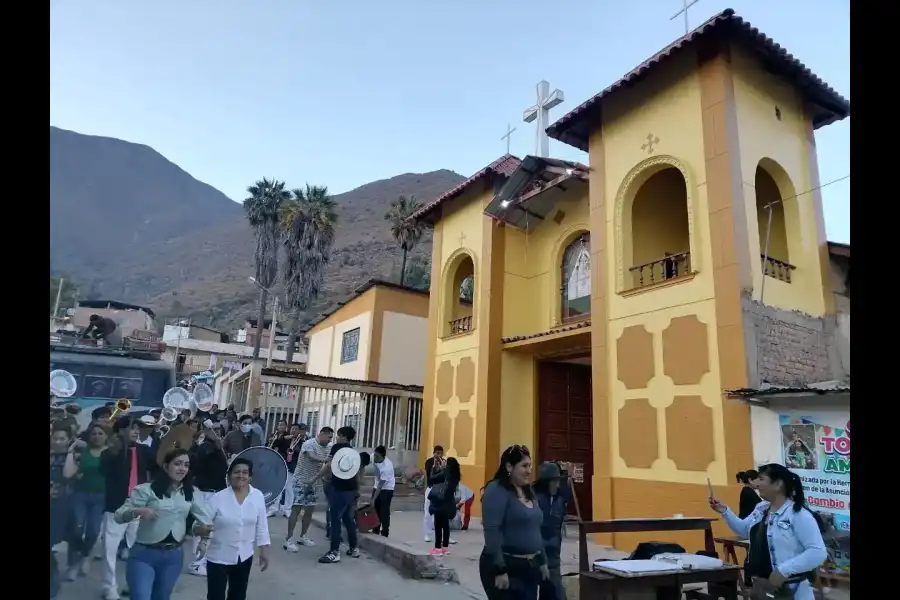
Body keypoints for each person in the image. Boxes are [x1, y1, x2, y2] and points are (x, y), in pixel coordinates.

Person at [710, 463, 827, 600]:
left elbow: (818, 552)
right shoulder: (761, 509)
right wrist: (725, 512)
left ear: (778, 484)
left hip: (792, 590)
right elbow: (743, 530)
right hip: (763, 588)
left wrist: (783, 570)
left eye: (762, 479)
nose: (758, 484)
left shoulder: (798, 514)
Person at [114, 449, 214, 600]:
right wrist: (137, 511)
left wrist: (204, 540)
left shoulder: (191, 492)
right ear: (166, 466)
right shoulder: (146, 490)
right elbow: (119, 516)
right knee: (140, 596)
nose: (182, 468)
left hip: (173, 556)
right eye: (178, 464)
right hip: (144, 553)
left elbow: (206, 521)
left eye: (186, 465)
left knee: (161, 597)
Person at [99, 416, 158, 600]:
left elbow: (157, 469)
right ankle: (109, 586)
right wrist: (115, 450)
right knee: (110, 547)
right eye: (131, 428)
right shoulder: (111, 451)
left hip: (138, 506)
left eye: (137, 428)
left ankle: (131, 583)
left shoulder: (144, 450)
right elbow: (104, 471)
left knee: (136, 548)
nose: (135, 431)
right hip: (116, 506)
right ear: (121, 431)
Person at [480, 445, 548, 600]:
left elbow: (536, 528)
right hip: (506, 566)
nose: (529, 471)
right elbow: (492, 531)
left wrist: (542, 560)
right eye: (524, 466)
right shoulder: (496, 490)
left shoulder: (527, 491)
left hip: (529, 568)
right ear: (509, 466)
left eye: (530, 466)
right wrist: (499, 569)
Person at [202, 458, 271, 600]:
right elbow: (203, 523)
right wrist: (202, 534)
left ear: (250, 476)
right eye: (236, 472)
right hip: (218, 557)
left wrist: (264, 551)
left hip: (244, 556)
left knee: (238, 595)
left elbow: (262, 525)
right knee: (215, 596)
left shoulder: (257, 496)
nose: (241, 476)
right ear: (229, 475)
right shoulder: (218, 498)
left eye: (245, 472)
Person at [63, 422, 109, 581]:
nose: (97, 436)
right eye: (94, 433)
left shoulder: (110, 453)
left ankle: (84, 556)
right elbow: (70, 472)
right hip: (80, 495)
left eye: (100, 433)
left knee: (93, 531)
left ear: (106, 436)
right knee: (76, 529)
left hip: (101, 497)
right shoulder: (82, 451)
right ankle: (72, 564)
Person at [187, 423, 229, 577]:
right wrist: (217, 447)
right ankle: (197, 563)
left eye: (218, 430)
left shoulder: (217, 448)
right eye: (213, 429)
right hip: (205, 492)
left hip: (215, 492)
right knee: (202, 526)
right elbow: (201, 461)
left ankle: (203, 560)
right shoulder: (205, 446)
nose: (216, 432)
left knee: (210, 528)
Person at [315, 426, 361, 563]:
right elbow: (356, 473)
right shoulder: (352, 452)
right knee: (347, 518)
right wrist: (357, 490)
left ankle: (334, 552)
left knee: (335, 519)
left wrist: (315, 478)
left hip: (339, 488)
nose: (337, 437)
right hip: (351, 489)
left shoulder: (337, 447)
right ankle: (354, 548)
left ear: (344, 436)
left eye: (339, 435)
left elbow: (328, 465)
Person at [284, 426, 334, 551]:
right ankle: (289, 539)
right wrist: (325, 460)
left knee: (309, 509)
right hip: (300, 480)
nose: (330, 440)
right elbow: (311, 456)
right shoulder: (309, 443)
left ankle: (303, 536)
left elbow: (328, 464)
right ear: (321, 434)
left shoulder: (328, 448)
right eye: (329, 437)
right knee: (297, 507)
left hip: (314, 483)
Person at [534, 462, 573, 600]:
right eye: (555, 481)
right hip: (536, 556)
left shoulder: (559, 499)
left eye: (559, 481)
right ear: (546, 482)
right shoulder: (534, 500)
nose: (557, 485)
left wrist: (568, 477)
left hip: (554, 557)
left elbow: (567, 493)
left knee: (556, 595)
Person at [50, 424, 74, 598]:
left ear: (68, 440)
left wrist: (70, 452)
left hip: (59, 508)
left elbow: (67, 474)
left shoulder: (74, 457)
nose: (58, 442)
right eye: (55, 438)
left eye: (62, 439)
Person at [429, 457, 461, 556]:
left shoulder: (445, 472)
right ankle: (445, 548)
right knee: (445, 525)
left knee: (438, 525)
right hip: (449, 502)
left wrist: (434, 468)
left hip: (440, 501)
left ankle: (437, 548)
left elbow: (432, 477)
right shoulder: (456, 475)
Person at [277, 423, 306, 517]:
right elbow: (277, 445)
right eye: (292, 428)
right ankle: (273, 508)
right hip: (282, 465)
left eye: (296, 429)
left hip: (292, 467)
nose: (293, 430)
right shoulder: (285, 439)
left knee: (290, 489)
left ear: (299, 431)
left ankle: (287, 509)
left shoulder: (301, 441)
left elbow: (302, 453)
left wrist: (295, 447)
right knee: (279, 488)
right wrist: (283, 438)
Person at [369, 445, 396, 538]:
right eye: (375, 455)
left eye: (377, 457)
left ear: (383, 457)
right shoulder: (373, 456)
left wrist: (373, 499)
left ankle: (385, 533)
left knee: (384, 511)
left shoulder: (387, 467)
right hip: (376, 485)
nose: (375, 458)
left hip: (387, 488)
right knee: (375, 509)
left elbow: (381, 486)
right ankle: (375, 530)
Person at [423, 445, 445, 543]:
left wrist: (443, 467)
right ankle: (427, 534)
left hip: (440, 490)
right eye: (437, 453)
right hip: (431, 488)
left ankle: (443, 535)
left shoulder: (444, 462)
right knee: (428, 512)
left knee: (442, 513)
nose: (439, 455)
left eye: (441, 453)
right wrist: (436, 466)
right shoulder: (429, 462)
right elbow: (430, 475)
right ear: (434, 453)